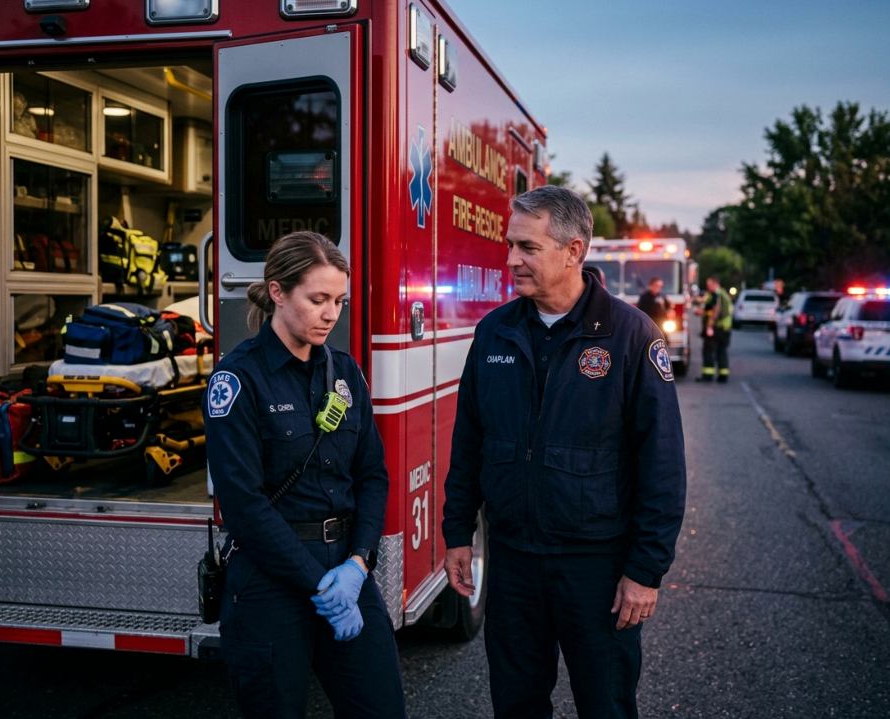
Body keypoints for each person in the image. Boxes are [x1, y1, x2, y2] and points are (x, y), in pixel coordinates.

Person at [442, 186, 686, 719]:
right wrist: (458, 532)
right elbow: (469, 443)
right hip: (514, 563)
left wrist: (645, 570)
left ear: (574, 251)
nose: (511, 260)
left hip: (597, 570)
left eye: (527, 247)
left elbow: (662, 465)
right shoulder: (495, 333)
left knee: (606, 706)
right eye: (510, 245)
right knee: (516, 705)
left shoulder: (630, 336)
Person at [203, 231, 405, 719]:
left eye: (339, 301)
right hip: (271, 578)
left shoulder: (345, 373)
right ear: (277, 291)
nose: (331, 313)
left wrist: (358, 564)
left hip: (346, 570)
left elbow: (372, 475)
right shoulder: (238, 379)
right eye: (317, 299)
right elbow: (244, 505)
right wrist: (320, 586)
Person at [695, 275, 733, 383]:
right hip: (725, 328)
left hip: (716, 328)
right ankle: (723, 375)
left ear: (715, 284)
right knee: (721, 351)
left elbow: (715, 311)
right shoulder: (723, 294)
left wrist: (709, 326)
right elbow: (709, 308)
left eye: (710, 285)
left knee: (708, 351)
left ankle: (708, 375)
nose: (708, 287)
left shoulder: (717, 295)